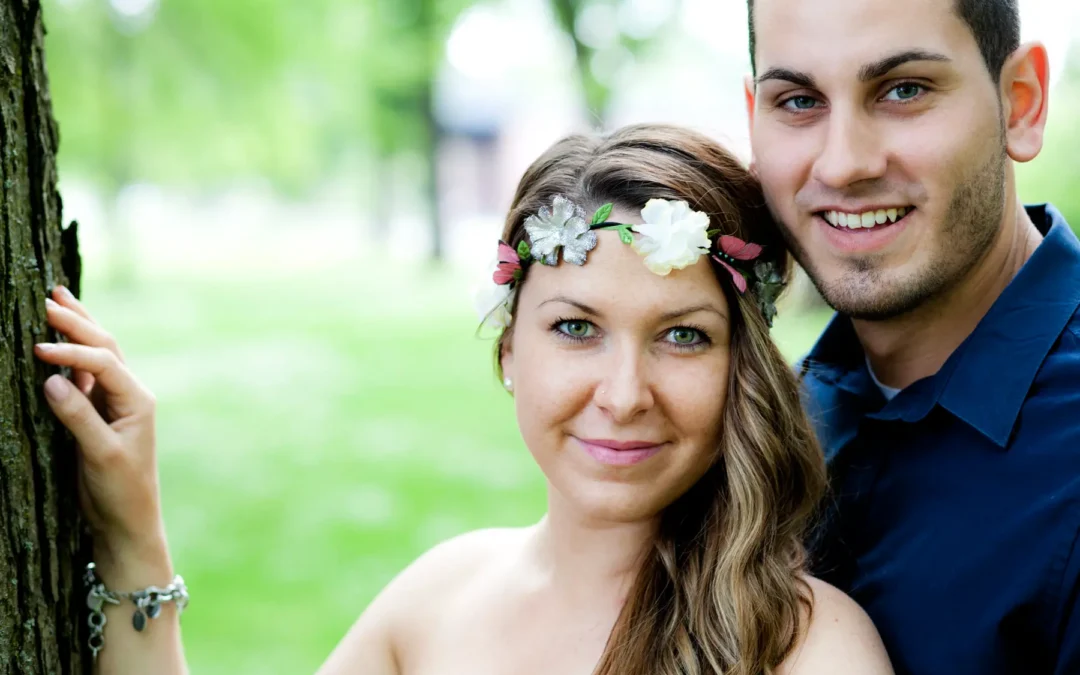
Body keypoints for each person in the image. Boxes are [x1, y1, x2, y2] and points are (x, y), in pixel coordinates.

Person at [35, 124, 892, 674]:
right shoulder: (440, 597)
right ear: (510, 349)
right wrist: (133, 532)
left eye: (682, 336)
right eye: (576, 328)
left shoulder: (808, 647)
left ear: (743, 367)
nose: (625, 395)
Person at [743, 0, 1080, 673]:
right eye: (799, 101)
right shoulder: (768, 423)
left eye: (904, 90)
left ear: (1020, 103)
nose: (843, 165)